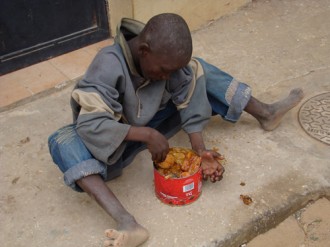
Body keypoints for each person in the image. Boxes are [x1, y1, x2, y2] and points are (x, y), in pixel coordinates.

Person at [48, 13, 304, 247]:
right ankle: (127, 222)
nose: (167, 76)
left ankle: (265, 113)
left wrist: (199, 152)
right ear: (144, 50)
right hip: (114, 145)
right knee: (63, 140)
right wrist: (147, 135)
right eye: (163, 70)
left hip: (157, 123)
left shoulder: (166, 65)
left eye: (170, 72)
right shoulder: (108, 64)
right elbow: (91, 125)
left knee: (197, 69)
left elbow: (187, 90)